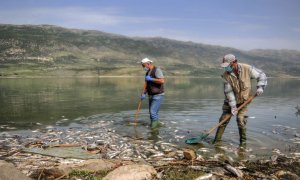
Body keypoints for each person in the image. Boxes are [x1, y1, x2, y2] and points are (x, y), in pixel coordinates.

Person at [213, 54, 267, 147]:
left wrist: (260, 87)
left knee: (240, 120)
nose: (226, 68)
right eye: (225, 67)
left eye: (228, 66)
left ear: (235, 62)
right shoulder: (226, 75)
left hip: (244, 101)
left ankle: (243, 144)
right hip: (229, 102)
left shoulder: (247, 68)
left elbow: (261, 75)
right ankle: (216, 142)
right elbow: (229, 92)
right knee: (223, 120)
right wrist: (233, 106)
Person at [140, 58, 165, 129]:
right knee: (153, 113)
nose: (143, 67)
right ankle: (156, 124)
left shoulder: (157, 70)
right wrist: (144, 93)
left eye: (143, 65)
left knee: (152, 112)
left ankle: (153, 129)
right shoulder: (147, 72)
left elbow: (162, 81)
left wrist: (151, 79)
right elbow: (146, 84)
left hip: (158, 95)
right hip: (151, 94)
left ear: (148, 64)